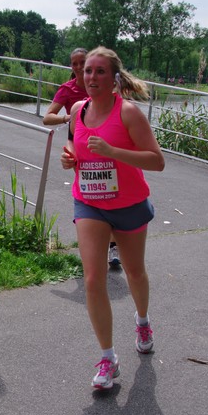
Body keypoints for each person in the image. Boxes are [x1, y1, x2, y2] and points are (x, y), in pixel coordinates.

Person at [59, 46, 164, 391]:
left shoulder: (128, 113)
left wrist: (113, 152)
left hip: (128, 203)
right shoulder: (77, 110)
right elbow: (74, 145)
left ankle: (143, 321)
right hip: (89, 203)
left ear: (114, 77)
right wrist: (69, 158)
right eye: (88, 70)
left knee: (134, 272)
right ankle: (108, 357)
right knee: (93, 279)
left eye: (100, 71)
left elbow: (156, 161)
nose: (91, 76)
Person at [44, 48, 121, 271]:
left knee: (109, 196)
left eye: (82, 63)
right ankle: (95, 243)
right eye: (74, 64)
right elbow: (47, 118)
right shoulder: (68, 90)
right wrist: (69, 118)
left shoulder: (102, 85)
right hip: (81, 149)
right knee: (90, 196)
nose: (78, 67)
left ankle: (112, 246)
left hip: (105, 147)